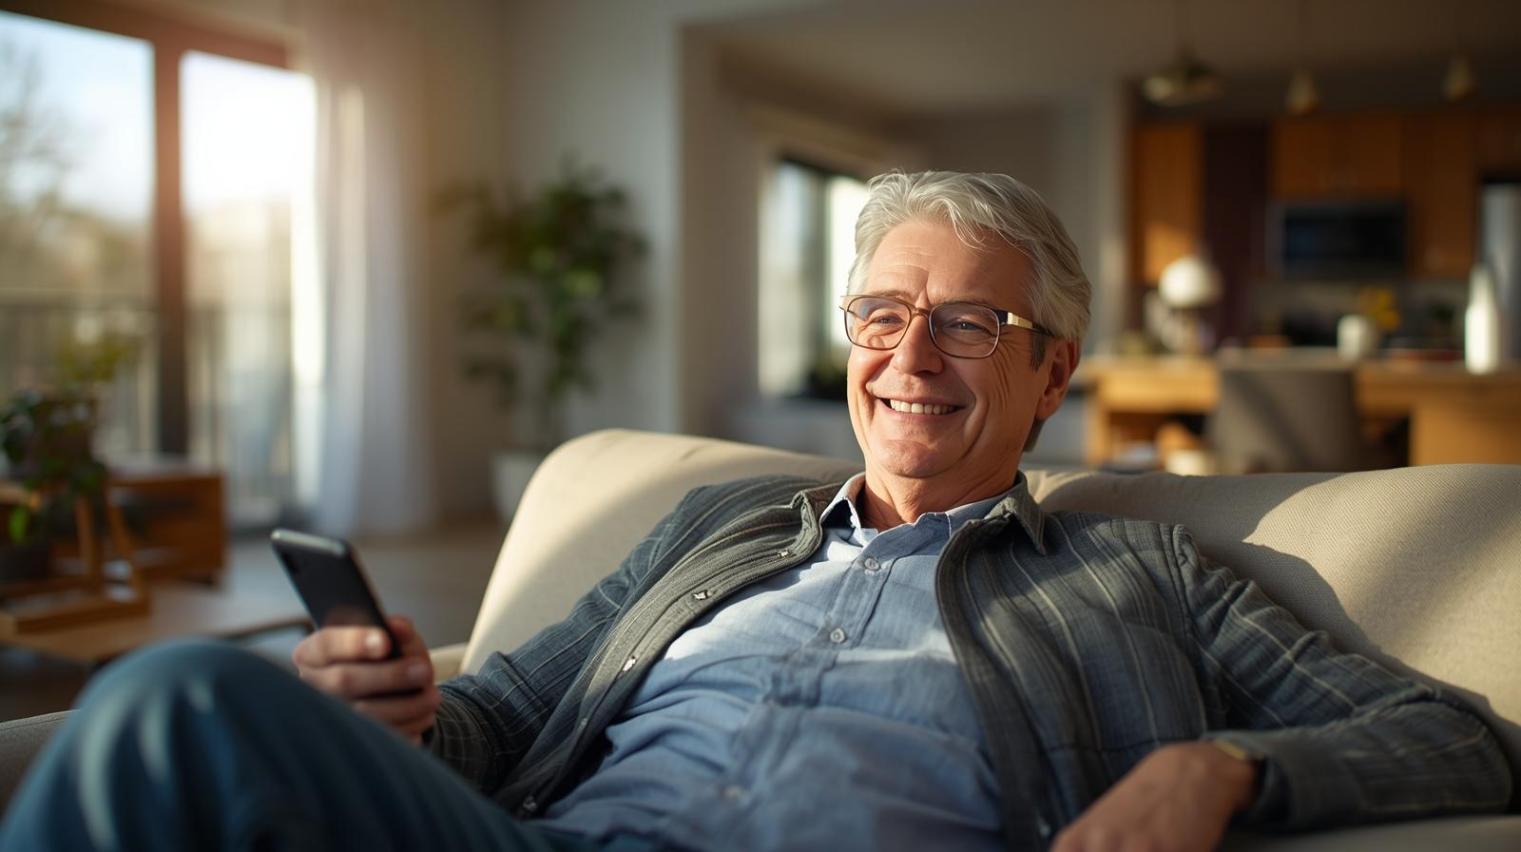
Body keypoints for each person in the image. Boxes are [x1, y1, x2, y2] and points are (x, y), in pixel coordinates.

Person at [0, 171, 1511, 852]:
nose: (910, 360)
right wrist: (387, 711)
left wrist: (1217, 770)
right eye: (880, 315)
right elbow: (495, 723)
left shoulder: (1144, 574)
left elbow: (1459, 737)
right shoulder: (712, 533)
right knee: (170, 699)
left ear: (1051, 373)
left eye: (970, 326)